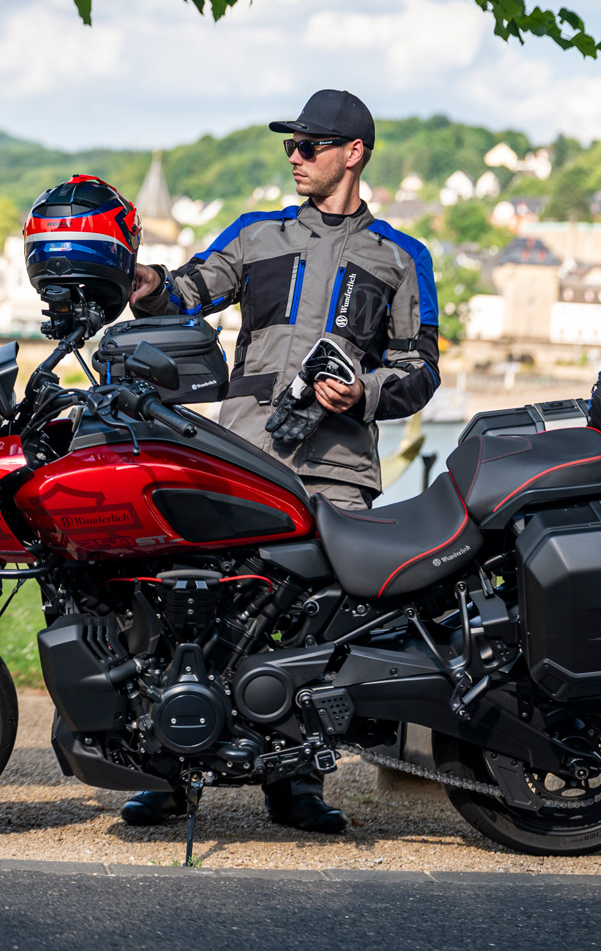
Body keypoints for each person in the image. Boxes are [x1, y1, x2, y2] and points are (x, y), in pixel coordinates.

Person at [118, 89, 440, 834]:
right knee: (193, 606)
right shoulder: (256, 234)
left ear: (353, 153)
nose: (295, 156)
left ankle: (295, 784)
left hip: (338, 471)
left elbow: (420, 370)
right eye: (290, 145)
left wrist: (362, 392)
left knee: (319, 633)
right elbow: (187, 293)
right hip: (242, 457)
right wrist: (151, 286)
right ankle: (170, 775)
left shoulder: (402, 256)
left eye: (309, 145)